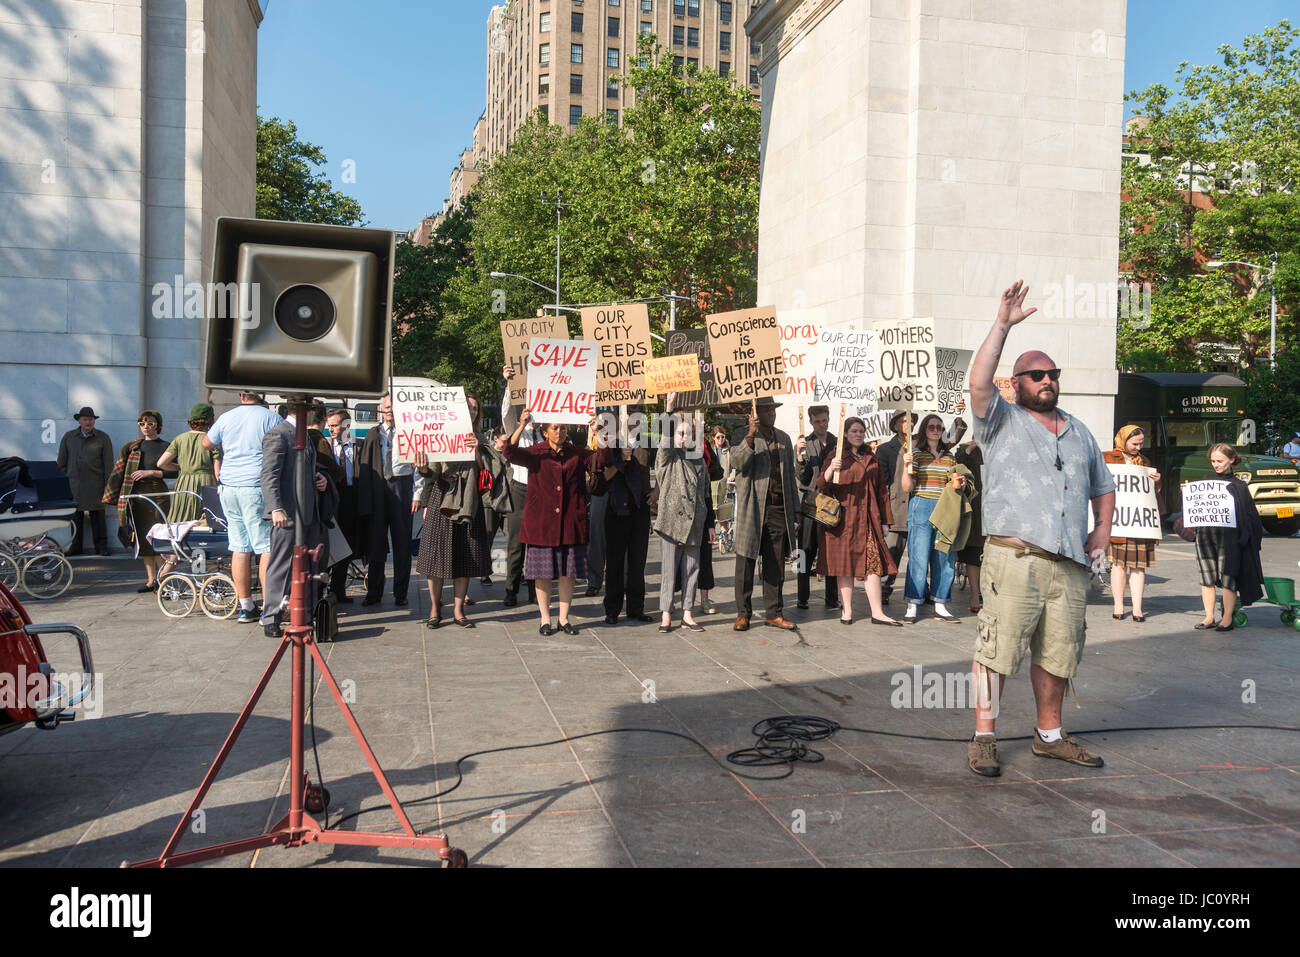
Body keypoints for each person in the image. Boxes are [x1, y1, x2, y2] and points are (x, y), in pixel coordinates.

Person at [966, 280, 1116, 778]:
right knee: (996, 651)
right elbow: (978, 383)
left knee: (1059, 653)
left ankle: (1048, 736)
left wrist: (1102, 532)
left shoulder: (1080, 430)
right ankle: (985, 735)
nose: (1046, 380)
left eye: (1051, 373)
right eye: (1035, 374)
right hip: (1015, 559)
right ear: (1017, 383)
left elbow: (1104, 484)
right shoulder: (999, 420)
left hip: (1069, 564)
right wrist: (1003, 325)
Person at [503, 409, 599, 635]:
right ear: (545, 432)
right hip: (542, 525)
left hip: (570, 524)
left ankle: (564, 619)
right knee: (543, 573)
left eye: (563, 428)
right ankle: (545, 619)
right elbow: (509, 451)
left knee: (568, 574)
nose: (560, 432)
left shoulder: (576, 453)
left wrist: (597, 434)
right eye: (554, 428)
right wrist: (522, 424)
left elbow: (600, 460)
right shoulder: (536, 453)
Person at [414, 394, 495, 629]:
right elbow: (434, 473)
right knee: (436, 556)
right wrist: (423, 469)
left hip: (470, 503)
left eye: (475, 408)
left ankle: (459, 611)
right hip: (443, 500)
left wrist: (477, 450)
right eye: (467, 407)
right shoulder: (443, 435)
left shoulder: (481, 438)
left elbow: (489, 474)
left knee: (465, 555)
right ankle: (435, 608)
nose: (471, 411)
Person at [205, 391, 283, 623]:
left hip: (229, 486)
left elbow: (206, 443)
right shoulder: (270, 418)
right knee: (266, 548)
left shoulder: (226, 417)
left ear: (241, 396)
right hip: (256, 485)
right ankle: (270, 609)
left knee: (240, 547)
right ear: (262, 396)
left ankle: (246, 607)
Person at [816, 417, 899, 625]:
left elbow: (882, 491)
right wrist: (830, 469)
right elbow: (821, 485)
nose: (858, 434)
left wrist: (885, 521)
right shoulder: (836, 456)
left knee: (874, 564)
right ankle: (848, 610)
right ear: (845, 434)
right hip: (843, 519)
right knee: (845, 567)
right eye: (854, 431)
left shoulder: (871, 458)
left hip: (869, 519)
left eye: (862, 430)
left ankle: (877, 612)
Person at [259, 410, 332, 638]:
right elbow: (269, 474)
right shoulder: (278, 434)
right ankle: (271, 617)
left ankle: (306, 615)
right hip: (287, 513)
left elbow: (302, 471)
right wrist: (276, 508)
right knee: (281, 564)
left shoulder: (305, 435)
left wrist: (319, 479)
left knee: (309, 565)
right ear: (304, 410)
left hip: (308, 512)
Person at [730, 397, 800, 631]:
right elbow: (738, 463)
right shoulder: (741, 434)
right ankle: (743, 614)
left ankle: (774, 613)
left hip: (778, 508)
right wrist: (750, 435)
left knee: (775, 564)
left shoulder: (783, 438)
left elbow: (789, 477)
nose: (772, 412)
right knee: (746, 563)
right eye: (767, 409)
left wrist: (796, 509)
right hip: (752, 508)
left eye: (773, 408)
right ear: (755, 411)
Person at [655, 413, 722, 632]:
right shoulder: (667, 457)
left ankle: (687, 613)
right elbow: (665, 443)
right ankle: (666, 613)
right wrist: (670, 409)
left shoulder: (699, 460)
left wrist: (710, 523)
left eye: (689, 434)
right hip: (671, 523)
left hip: (695, 523)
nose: (685, 438)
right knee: (669, 570)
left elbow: (705, 494)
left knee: (692, 569)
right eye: (680, 433)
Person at [357, 394, 423, 607]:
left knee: (402, 543)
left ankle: (400, 593)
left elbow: (418, 467)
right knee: (376, 544)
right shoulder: (373, 434)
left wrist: (417, 494)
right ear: (381, 410)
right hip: (378, 490)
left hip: (402, 486)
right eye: (386, 407)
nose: (389, 411)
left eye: (393, 408)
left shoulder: (409, 433)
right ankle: (374, 592)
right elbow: (365, 468)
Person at [103, 410, 178, 592]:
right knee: (143, 537)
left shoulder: (165, 446)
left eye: (150, 423)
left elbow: (175, 470)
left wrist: (151, 472)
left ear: (157, 426)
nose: (146, 427)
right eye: (142, 424)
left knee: (159, 536)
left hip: (158, 494)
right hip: (136, 494)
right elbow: (119, 472)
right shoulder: (133, 447)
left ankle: (163, 579)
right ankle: (151, 580)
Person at [1192, 443, 1264, 632]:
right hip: (1205, 534)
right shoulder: (1204, 481)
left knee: (1228, 577)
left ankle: (1227, 618)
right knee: (1206, 577)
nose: (1216, 464)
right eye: (1213, 461)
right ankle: (1208, 617)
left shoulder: (1239, 485)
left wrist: (1246, 539)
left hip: (1229, 538)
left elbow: (1250, 516)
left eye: (1220, 461)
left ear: (1231, 459)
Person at [594, 409, 654, 625]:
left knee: (638, 561)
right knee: (616, 562)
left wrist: (656, 492)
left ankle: (636, 607)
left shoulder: (646, 443)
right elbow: (605, 475)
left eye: (640, 419)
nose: (636, 422)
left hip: (639, 508)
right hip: (617, 508)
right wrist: (622, 460)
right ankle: (612, 609)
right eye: (631, 417)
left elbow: (659, 467)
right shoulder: (611, 443)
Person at [900, 413, 961, 623]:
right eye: (932, 427)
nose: (936, 430)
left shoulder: (950, 457)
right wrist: (905, 466)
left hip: (945, 507)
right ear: (924, 430)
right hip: (921, 504)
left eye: (939, 427)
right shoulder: (915, 454)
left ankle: (940, 603)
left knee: (945, 557)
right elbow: (907, 487)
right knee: (918, 557)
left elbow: (953, 485)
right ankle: (912, 604)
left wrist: (959, 482)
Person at [1103, 425, 1160, 622]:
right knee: (1118, 565)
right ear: (1123, 440)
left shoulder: (1145, 462)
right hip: (1119, 521)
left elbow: (1151, 493)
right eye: (1134, 443)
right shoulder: (1108, 458)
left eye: (1141, 443)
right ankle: (1118, 605)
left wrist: (1157, 481)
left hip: (1139, 523)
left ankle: (1137, 608)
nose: (1138, 447)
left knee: (1139, 566)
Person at [500, 366, 539, 607]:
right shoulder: (518, 431)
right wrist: (509, 385)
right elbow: (506, 416)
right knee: (516, 545)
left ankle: (536, 590)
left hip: (539, 495)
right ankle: (511, 590)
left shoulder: (549, 434)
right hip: (519, 490)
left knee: (537, 545)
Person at [796, 405, 839, 611]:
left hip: (831, 503)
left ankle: (832, 597)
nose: (823, 424)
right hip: (811, 502)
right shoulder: (806, 443)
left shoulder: (837, 442)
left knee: (831, 552)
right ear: (811, 421)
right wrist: (799, 457)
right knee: (804, 552)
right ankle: (801, 596)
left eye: (825, 420)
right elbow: (802, 478)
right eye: (818, 421)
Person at [57, 407, 114, 556]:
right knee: (76, 517)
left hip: (96, 484)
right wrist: (64, 482)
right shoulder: (69, 437)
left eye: (91, 419)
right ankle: (75, 547)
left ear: (94, 421)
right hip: (74, 484)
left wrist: (109, 486)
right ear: (79, 421)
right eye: (85, 419)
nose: (88, 422)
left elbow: (109, 465)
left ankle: (101, 547)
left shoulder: (103, 437)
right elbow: (61, 462)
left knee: (98, 517)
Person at [158, 403, 220, 524]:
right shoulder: (212, 439)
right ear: (210, 420)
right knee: (207, 521)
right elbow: (218, 471)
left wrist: (182, 467)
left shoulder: (180, 439)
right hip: (207, 482)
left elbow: (161, 463)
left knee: (181, 519)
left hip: (184, 482)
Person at [873, 411, 913, 604]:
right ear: (896, 426)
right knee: (892, 553)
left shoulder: (920, 445)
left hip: (917, 507)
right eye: (904, 420)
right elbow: (883, 483)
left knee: (920, 554)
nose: (909, 423)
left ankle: (923, 589)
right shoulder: (886, 449)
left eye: (911, 420)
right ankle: (884, 588)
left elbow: (947, 442)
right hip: (895, 508)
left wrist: (959, 415)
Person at [326, 408, 360, 603]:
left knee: (345, 545)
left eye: (335, 425)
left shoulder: (358, 446)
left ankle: (339, 589)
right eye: (329, 426)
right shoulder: (326, 446)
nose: (331, 429)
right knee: (330, 543)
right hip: (331, 497)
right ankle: (324, 588)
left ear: (346, 426)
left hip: (350, 497)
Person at [953, 439, 986, 613]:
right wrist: (971, 448)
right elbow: (958, 464)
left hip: (997, 509)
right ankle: (975, 593)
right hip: (976, 509)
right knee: (974, 554)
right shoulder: (967, 450)